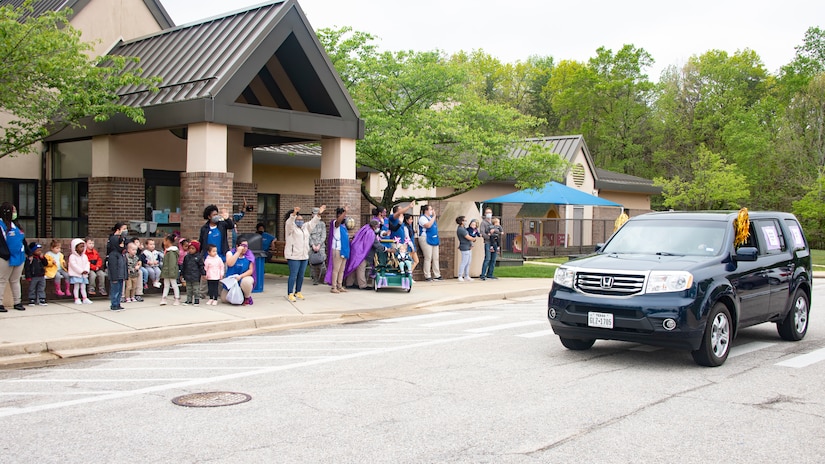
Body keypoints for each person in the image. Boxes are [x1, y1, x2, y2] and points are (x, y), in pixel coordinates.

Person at [284, 205, 325, 302]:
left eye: (301, 219)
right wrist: (294, 214)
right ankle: (290, 293)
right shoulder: (290, 228)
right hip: (293, 256)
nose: (300, 221)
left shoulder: (305, 227)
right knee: (293, 274)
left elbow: (313, 222)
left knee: (301, 275)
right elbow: (289, 222)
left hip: (304, 255)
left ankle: (298, 291)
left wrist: (319, 213)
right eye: (298, 219)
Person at [0, 203, 27, 312]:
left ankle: (17, 302)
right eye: (13, 210)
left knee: (15, 280)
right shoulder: (1, 225)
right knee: (2, 280)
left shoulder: (16, 225)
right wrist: (4, 254)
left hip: (19, 256)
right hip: (5, 257)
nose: (15, 213)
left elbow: (22, 240)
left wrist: (28, 252)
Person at [325, 205, 351, 293]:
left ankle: (340, 285)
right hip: (337, 249)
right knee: (336, 269)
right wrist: (345, 212)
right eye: (342, 215)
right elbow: (338, 221)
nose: (344, 217)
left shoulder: (344, 226)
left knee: (341, 269)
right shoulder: (335, 223)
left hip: (344, 249)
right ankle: (333, 286)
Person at [223, 237, 255, 305]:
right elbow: (230, 264)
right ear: (237, 246)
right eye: (243, 246)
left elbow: (251, 270)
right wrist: (238, 252)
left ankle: (247, 297)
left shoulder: (249, 255)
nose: (245, 248)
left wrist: (240, 276)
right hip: (232, 280)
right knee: (224, 299)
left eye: (246, 246)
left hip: (243, 277)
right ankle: (239, 296)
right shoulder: (230, 253)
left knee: (247, 282)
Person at [106, 223, 129, 311]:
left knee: (120, 290)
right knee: (115, 289)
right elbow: (112, 267)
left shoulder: (121, 254)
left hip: (121, 274)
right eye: (123, 229)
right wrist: (114, 276)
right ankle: (114, 304)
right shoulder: (113, 254)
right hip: (115, 275)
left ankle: (118, 303)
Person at [417, 204, 442, 281]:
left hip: (434, 238)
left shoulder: (431, 218)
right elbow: (428, 225)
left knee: (436, 257)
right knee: (428, 257)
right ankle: (427, 275)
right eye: (430, 209)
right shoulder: (422, 218)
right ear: (426, 211)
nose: (432, 211)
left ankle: (437, 274)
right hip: (425, 238)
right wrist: (434, 217)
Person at [67, 238, 93, 305]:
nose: (82, 248)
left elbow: (87, 263)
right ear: (75, 248)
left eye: (83, 246)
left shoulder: (84, 256)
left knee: (83, 287)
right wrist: (81, 271)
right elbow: (73, 265)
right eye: (80, 247)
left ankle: (85, 298)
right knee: (76, 287)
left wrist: (86, 270)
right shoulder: (72, 256)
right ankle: (76, 298)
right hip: (76, 274)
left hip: (83, 275)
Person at [159, 234, 181, 306]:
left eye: (165, 240)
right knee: (166, 285)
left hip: (171, 271)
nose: (163, 242)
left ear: (168, 241)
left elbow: (172, 263)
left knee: (174, 284)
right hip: (167, 271)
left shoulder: (171, 252)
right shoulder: (168, 251)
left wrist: (171, 272)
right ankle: (164, 298)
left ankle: (177, 298)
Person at [181, 240, 205, 305]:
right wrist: (182, 274)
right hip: (188, 276)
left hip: (195, 276)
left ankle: (196, 300)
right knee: (189, 289)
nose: (191, 250)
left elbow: (201, 266)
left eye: (193, 248)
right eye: (190, 248)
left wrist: (203, 274)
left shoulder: (198, 257)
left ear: (196, 249)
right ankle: (189, 300)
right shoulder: (186, 257)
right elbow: (184, 266)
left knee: (196, 289)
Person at [308, 208, 327, 285]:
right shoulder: (309, 224)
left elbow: (323, 235)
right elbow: (308, 235)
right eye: (314, 213)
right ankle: (314, 279)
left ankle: (323, 279)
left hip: (320, 246)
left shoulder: (322, 224)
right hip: (311, 246)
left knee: (322, 263)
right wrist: (312, 245)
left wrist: (319, 244)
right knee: (312, 264)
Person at [456, 216, 477, 282]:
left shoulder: (464, 228)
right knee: (464, 262)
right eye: (464, 220)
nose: (466, 221)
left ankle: (466, 275)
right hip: (464, 247)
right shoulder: (461, 229)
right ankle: (460, 275)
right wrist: (474, 239)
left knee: (468, 262)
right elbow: (467, 237)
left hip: (468, 246)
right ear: (461, 221)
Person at [479, 208, 498, 281]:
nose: (488, 214)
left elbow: (498, 229)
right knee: (487, 258)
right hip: (488, 243)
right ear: (485, 214)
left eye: (490, 212)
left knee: (493, 259)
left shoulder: (493, 222)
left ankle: (490, 274)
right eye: (487, 212)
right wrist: (489, 236)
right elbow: (482, 232)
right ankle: (483, 274)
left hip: (495, 242)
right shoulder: (483, 223)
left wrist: (494, 231)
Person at [401, 213, 419, 277]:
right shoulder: (405, 227)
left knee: (416, 261)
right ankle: (408, 274)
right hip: (408, 246)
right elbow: (407, 238)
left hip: (412, 245)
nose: (412, 221)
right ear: (406, 220)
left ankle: (409, 274)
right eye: (410, 219)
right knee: (410, 262)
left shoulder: (409, 226)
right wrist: (412, 246)